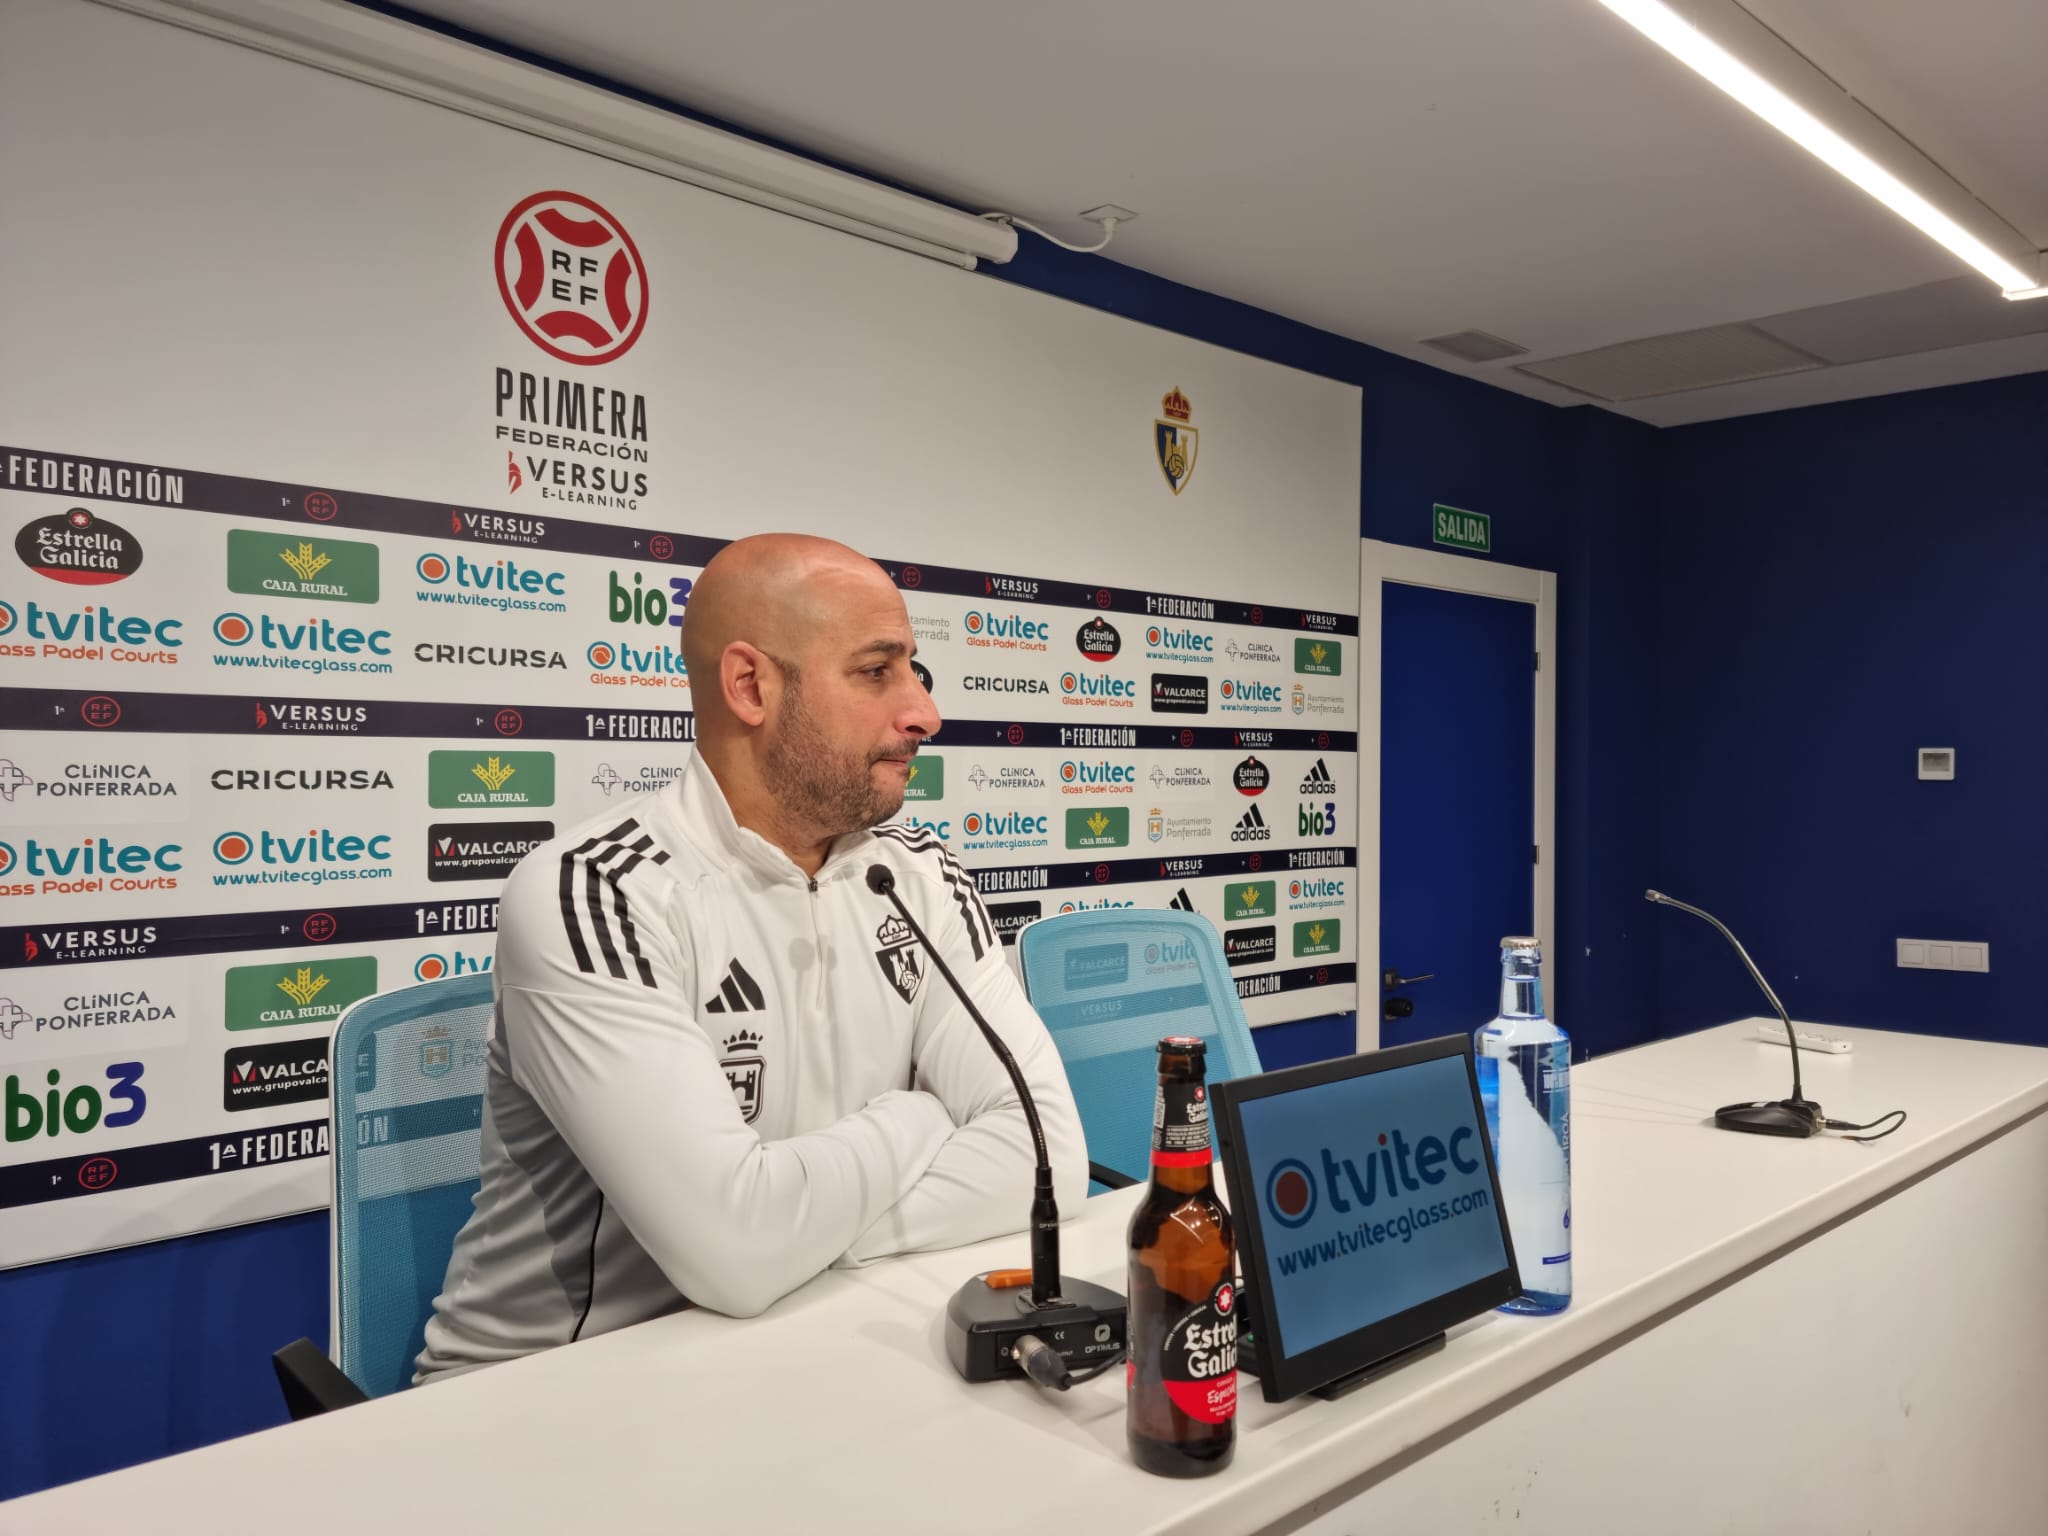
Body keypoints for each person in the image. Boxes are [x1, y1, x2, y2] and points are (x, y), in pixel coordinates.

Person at [415, 534, 1087, 1379]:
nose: (923, 712)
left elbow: (1047, 1162)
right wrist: (918, 1120)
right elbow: (732, 1252)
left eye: (916, 671)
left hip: (799, 1343)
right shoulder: (594, 893)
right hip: (547, 1395)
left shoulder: (919, 875)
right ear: (750, 687)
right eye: (878, 672)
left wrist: (782, 1235)